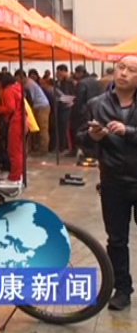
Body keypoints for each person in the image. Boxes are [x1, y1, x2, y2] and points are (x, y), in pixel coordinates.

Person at [78, 55, 137, 311]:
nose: (123, 73)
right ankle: (122, 288)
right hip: (113, 181)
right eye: (121, 67)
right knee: (116, 239)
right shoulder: (96, 104)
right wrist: (92, 137)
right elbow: (80, 136)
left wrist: (128, 131)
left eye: (131, 70)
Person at [0, 72, 25, 187]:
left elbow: (10, 107)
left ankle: (14, 178)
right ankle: (18, 175)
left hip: (15, 122)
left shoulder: (8, 91)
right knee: (18, 151)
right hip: (22, 120)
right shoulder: (18, 87)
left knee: (13, 151)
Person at [71, 65, 103, 159]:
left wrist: (75, 111)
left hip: (83, 111)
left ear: (80, 73)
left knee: (80, 131)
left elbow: (79, 100)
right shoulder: (95, 81)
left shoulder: (81, 83)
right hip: (96, 108)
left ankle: (81, 150)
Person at [16, 69, 51, 155]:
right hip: (37, 107)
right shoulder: (27, 84)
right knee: (35, 129)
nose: (17, 82)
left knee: (43, 129)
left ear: (22, 77)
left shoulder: (29, 85)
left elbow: (30, 100)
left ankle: (44, 149)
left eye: (18, 80)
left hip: (42, 107)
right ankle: (37, 147)